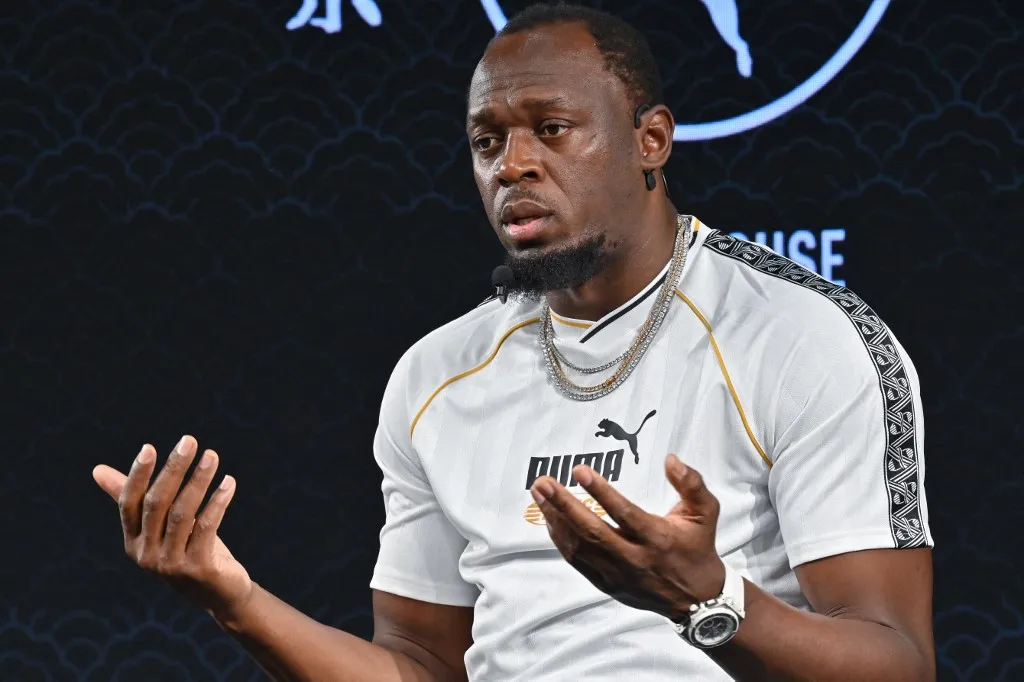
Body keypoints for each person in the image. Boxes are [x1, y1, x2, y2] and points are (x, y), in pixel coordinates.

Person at [92, 4, 936, 680]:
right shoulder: (437, 375)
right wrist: (235, 601)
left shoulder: (803, 337)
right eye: (487, 141)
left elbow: (897, 661)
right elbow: (419, 667)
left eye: (552, 128)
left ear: (652, 140)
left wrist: (705, 598)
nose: (511, 165)